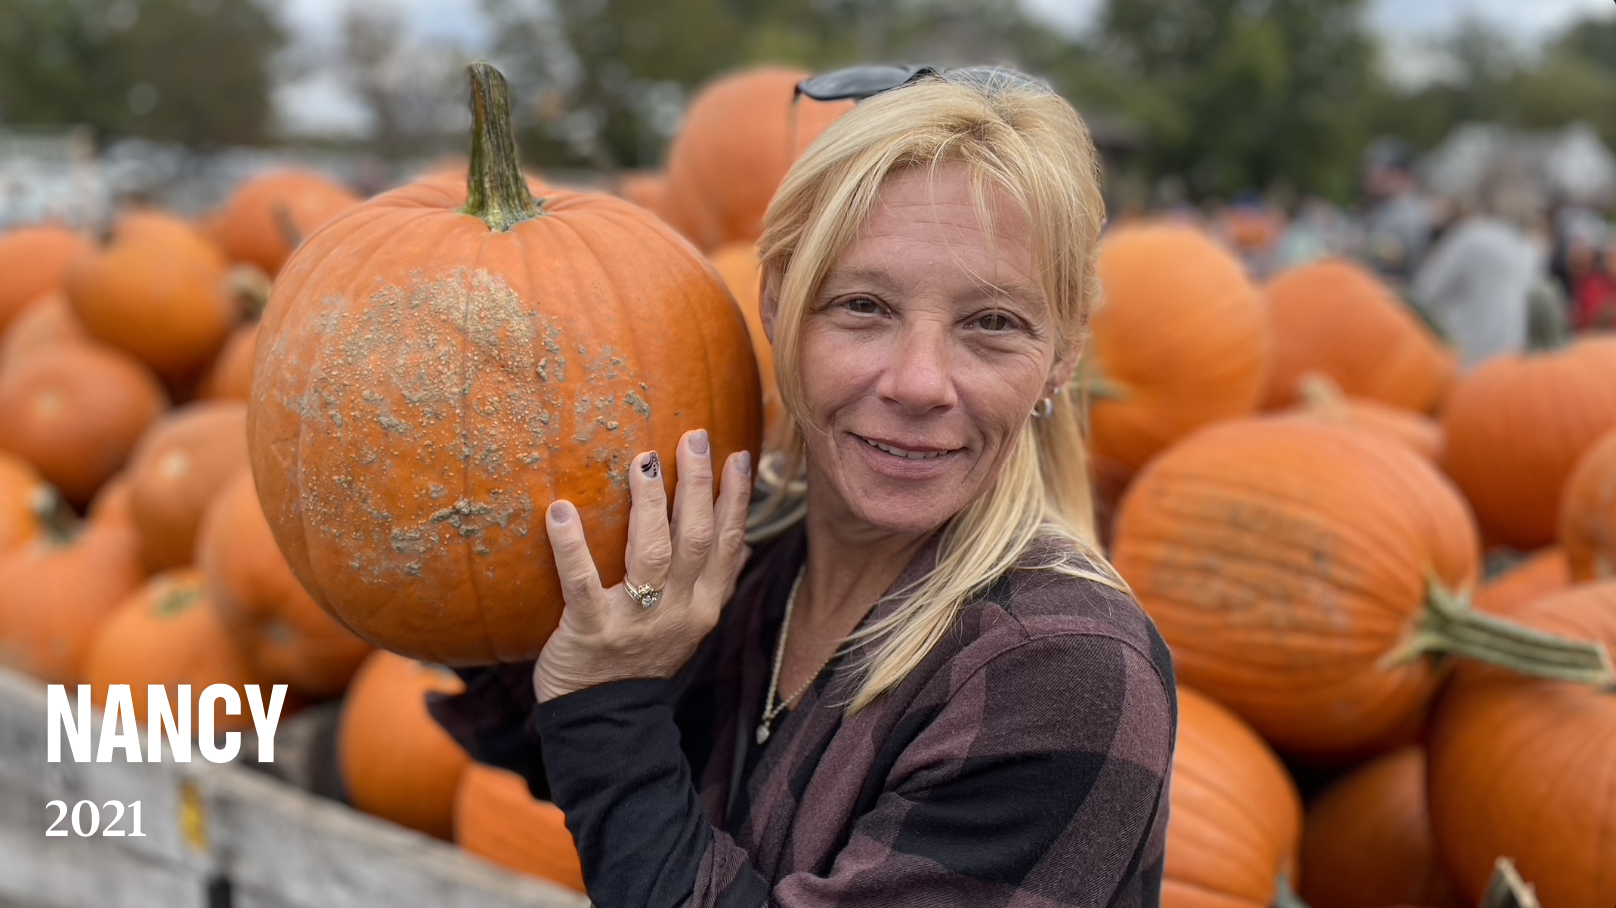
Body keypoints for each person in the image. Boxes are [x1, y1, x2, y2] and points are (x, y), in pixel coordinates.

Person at [431, 65, 1177, 908]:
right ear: (778, 304)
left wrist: (605, 701)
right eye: (864, 306)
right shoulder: (752, 546)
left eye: (992, 323)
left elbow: (611, 747)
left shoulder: (1061, 673)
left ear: (1064, 354)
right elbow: (589, 770)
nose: (918, 383)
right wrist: (452, 517)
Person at [1412, 174, 1549, 369]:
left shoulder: (1472, 235)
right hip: (1510, 359)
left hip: (1463, 356)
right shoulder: (1532, 248)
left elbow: (1423, 292)